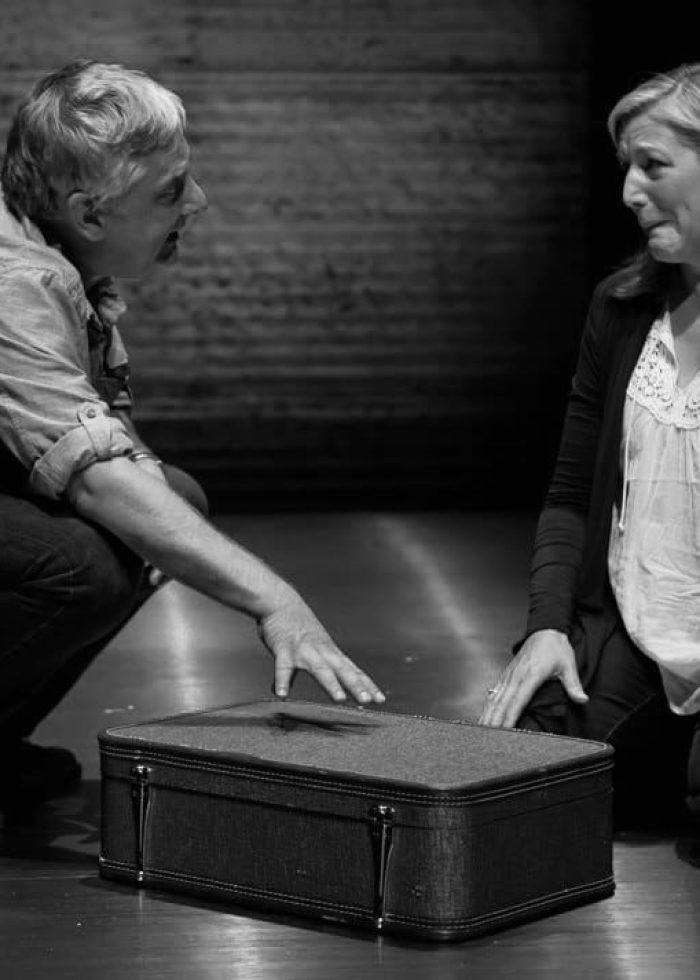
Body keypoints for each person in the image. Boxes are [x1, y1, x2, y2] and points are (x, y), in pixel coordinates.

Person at [0, 60, 384, 813]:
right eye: (171, 191)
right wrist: (275, 600)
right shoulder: (13, 284)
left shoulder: (57, 259)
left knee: (169, 501)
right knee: (79, 561)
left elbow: (117, 453)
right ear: (89, 214)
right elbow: (97, 478)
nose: (198, 203)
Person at [479, 62, 700, 834]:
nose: (630, 193)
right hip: (635, 633)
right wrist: (547, 626)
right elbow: (573, 494)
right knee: (510, 786)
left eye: (654, 165)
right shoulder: (624, 308)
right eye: (627, 168)